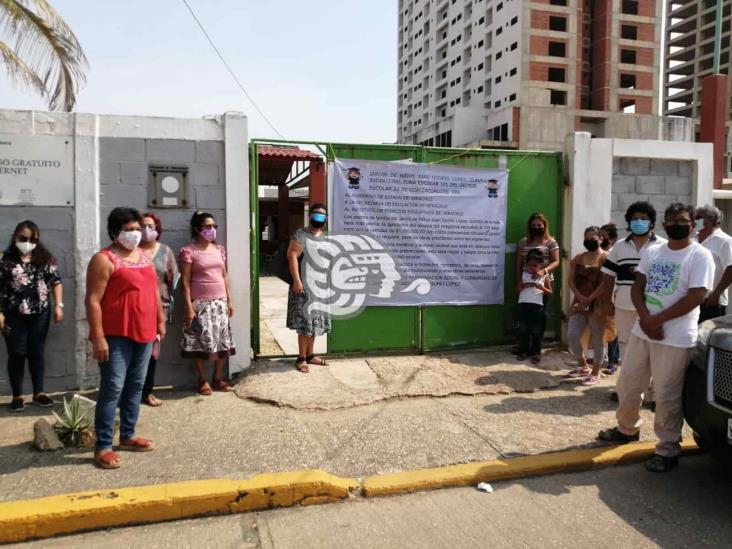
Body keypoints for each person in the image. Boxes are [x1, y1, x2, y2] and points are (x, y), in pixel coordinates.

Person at [598, 203, 714, 473]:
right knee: (628, 384)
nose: (676, 224)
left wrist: (656, 321)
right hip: (644, 330)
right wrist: (646, 319)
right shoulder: (654, 251)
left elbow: (697, 296)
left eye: (682, 220)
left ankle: (667, 448)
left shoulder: (699, 256)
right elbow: (638, 287)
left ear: (692, 225)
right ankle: (627, 429)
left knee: (665, 394)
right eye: (671, 220)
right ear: (664, 224)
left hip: (675, 337)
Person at [86, 208, 165, 469]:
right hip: (116, 335)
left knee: (136, 385)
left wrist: (160, 320)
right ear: (113, 232)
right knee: (112, 389)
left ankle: (128, 435)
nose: (134, 234)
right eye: (128, 229)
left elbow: (153, 290)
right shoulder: (104, 259)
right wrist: (98, 337)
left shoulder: (143, 256)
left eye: (136, 228)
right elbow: (93, 301)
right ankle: (104, 446)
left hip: (144, 332)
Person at [600, 202, 666, 402]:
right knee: (627, 349)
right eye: (635, 219)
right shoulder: (619, 247)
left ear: (651, 222)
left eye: (644, 218)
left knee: (654, 349)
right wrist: (606, 301)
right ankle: (626, 391)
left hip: (653, 307)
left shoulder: (662, 246)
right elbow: (608, 276)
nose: (639, 222)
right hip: (624, 306)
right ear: (628, 222)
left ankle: (654, 395)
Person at [0, 221, 63, 413]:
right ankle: (17, 395)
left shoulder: (45, 259)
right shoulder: (4, 260)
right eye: (23, 238)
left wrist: (59, 305)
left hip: (40, 313)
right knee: (17, 353)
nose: (28, 242)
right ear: (15, 237)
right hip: (13, 313)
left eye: (32, 239)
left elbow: (56, 282)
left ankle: (39, 393)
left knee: (36, 352)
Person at [180, 211, 235, 395]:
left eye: (214, 226)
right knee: (199, 342)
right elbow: (185, 281)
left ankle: (217, 377)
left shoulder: (219, 250)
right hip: (200, 305)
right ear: (197, 229)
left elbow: (224, 275)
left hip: (220, 303)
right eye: (208, 227)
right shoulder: (189, 251)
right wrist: (189, 307)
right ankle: (202, 379)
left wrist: (229, 300)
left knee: (222, 341)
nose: (212, 230)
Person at [139, 213, 180, 407]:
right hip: (134, 307)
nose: (147, 230)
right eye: (143, 226)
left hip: (159, 308)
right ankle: (131, 392)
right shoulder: (132, 251)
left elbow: (173, 279)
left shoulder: (165, 252)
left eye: (151, 226)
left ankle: (147, 391)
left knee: (152, 353)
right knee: (133, 351)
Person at [565, 226, 615, 386]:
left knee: (599, 339)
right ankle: (582, 366)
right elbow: (570, 280)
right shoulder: (578, 258)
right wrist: (581, 297)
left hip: (599, 304)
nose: (589, 242)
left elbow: (606, 283)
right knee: (572, 335)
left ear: (601, 239)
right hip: (579, 303)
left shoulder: (607, 258)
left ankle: (596, 371)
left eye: (593, 239)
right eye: (587, 239)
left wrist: (590, 298)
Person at [287, 203, 331, 373]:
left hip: (320, 286)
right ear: (310, 216)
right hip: (304, 285)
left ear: (326, 219)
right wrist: (297, 281)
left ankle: (311, 355)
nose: (319, 218)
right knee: (306, 322)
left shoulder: (324, 236)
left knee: (315, 322)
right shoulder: (301, 234)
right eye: (316, 215)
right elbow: (292, 256)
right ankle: (301, 358)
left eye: (322, 216)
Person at [695, 205, 732, 322]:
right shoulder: (694, 238)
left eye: (699, 217)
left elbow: (730, 268)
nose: (696, 220)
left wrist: (716, 294)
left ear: (711, 219)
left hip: (711, 302)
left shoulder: (725, 241)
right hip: (693, 300)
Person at [516, 249, 552, 363]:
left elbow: (550, 292)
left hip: (537, 306)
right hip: (523, 305)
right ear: (526, 264)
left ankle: (536, 352)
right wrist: (523, 286)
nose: (532, 268)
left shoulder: (544, 276)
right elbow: (517, 289)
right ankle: (523, 351)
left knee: (536, 331)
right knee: (523, 329)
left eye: (535, 265)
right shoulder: (523, 274)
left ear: (541, 265)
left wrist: (541, 288)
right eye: (530, 265)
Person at [515, 213, 561, 288]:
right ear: (530, 227)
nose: (536, 227)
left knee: (543, 300)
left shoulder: (550, 242)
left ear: (544, 226)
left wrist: (544, 271)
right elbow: (518, 264)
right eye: (533, 225)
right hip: (526, 281)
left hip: (544, 282)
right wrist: (518, 281)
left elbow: (556, 262)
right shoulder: (523, 242)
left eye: (539, 225)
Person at [599, 223, 620, 374]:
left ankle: (613, 362)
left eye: (603, 237)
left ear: (612, 238)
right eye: (599, 236)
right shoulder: (598, 253)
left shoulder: (614, 253)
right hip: (600, 297)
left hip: (613, 295)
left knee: (613, 330)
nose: (600, 239)